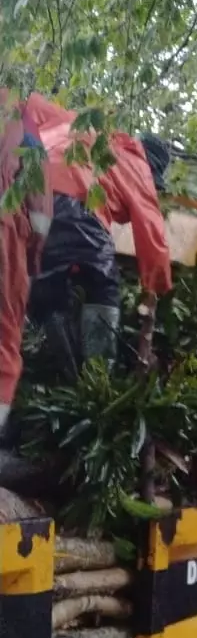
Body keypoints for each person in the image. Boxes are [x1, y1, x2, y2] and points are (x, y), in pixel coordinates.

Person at [23, 93, 172, 372]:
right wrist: (158, 291)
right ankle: (99, 374)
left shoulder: (80, 126)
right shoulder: (135, 161)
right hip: (69, 203)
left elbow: (28, 105)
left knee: (47, 283)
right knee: (101, 282)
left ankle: (62, 371)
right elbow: (153, 236)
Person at [0, 91, 52, 431]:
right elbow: (40, 213)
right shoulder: (23, 122)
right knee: (3, 342)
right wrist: (33, 260)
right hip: (4, 234)